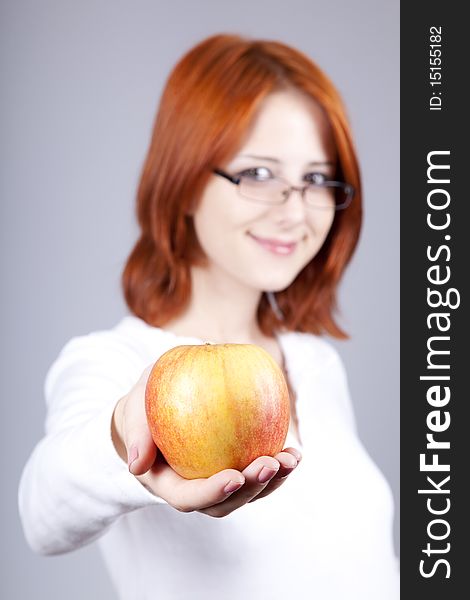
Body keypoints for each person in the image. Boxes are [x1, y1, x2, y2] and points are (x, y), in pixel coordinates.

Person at [19, 34, 399, 599]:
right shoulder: (115, 362)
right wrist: (128, 432)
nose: (296, 210)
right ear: (186, 182)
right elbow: (42, 511)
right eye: (260, 174)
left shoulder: (314, 362)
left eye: (317, 179)